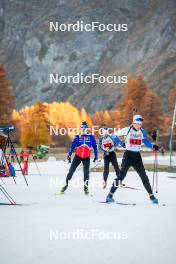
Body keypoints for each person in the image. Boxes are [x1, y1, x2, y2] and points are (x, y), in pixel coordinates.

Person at [106, 114, 159, 204]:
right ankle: (110, 195)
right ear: (133, 123)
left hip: (137, 157)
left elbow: (145, 141)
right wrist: (120, 143)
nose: (139, 126)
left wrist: (153, 146)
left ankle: (152, 196)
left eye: (140, 124)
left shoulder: (142, 131)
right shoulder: (127, 130)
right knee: (121, 176)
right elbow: (112, 135)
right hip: (128, 156)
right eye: (138, 124)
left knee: (144, 176)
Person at [59, 121, 98, 195]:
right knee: (71, 171)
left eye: (84, 129)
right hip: (78, 156)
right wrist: (69, 155)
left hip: (86, 157)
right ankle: (65, 186)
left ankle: (86, 188)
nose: (83, 131)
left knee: (86, 173)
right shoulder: (77, 137)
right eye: (82, 129)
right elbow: (72, 146)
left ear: (87, 129)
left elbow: (95, 147)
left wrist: (96, 157)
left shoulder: (91, 137)